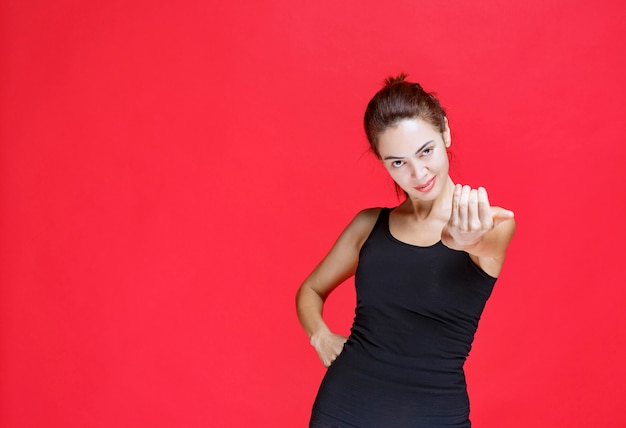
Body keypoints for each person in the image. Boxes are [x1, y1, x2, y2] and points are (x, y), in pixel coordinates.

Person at [295, 74, 516, 428]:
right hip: (342, 410)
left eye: (425, 151)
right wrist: (319, 335)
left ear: (445, 131)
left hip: (434, 416)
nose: (418, 173)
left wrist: (465, 239)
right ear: (383, 163)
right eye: (397, 162)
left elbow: (480, 244)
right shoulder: (368, 226)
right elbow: (309, 290)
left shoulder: (489, 223)